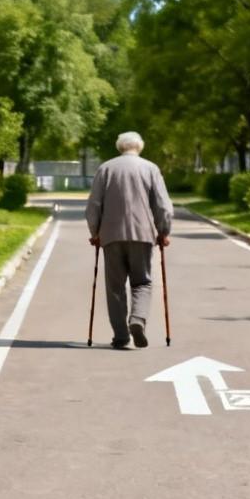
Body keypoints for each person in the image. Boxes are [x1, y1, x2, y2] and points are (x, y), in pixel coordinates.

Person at [85, 131, 173, 349]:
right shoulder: (150, 168)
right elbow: (163, 205)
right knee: (142, 282)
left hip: (111, 235)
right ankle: (137, 320)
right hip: (142, 235)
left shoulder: (105, 168)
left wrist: (95, 232)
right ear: (139, 147)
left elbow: (93, 205)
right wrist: (164, 231)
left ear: (119, 147)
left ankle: (121, 335)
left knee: (115, 286)